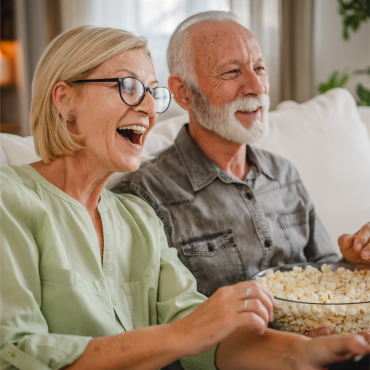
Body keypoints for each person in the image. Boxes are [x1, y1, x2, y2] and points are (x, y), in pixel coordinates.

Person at [1, 25, 369, 370]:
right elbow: (15, 350)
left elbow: (205, 336)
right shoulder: (9, 198)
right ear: (65, 100)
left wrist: (302, 353)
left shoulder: (137, 219)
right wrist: (185, 334)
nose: (148, 109)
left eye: (152, 93)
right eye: (129, 87)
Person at [113, 11, 370, 301]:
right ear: (183, 92)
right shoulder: (145, 195)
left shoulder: (284, 174)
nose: (257, 87)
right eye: (232, 72)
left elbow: (326, 275)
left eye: (259, 68)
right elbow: (158, 318)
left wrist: (356, 262)